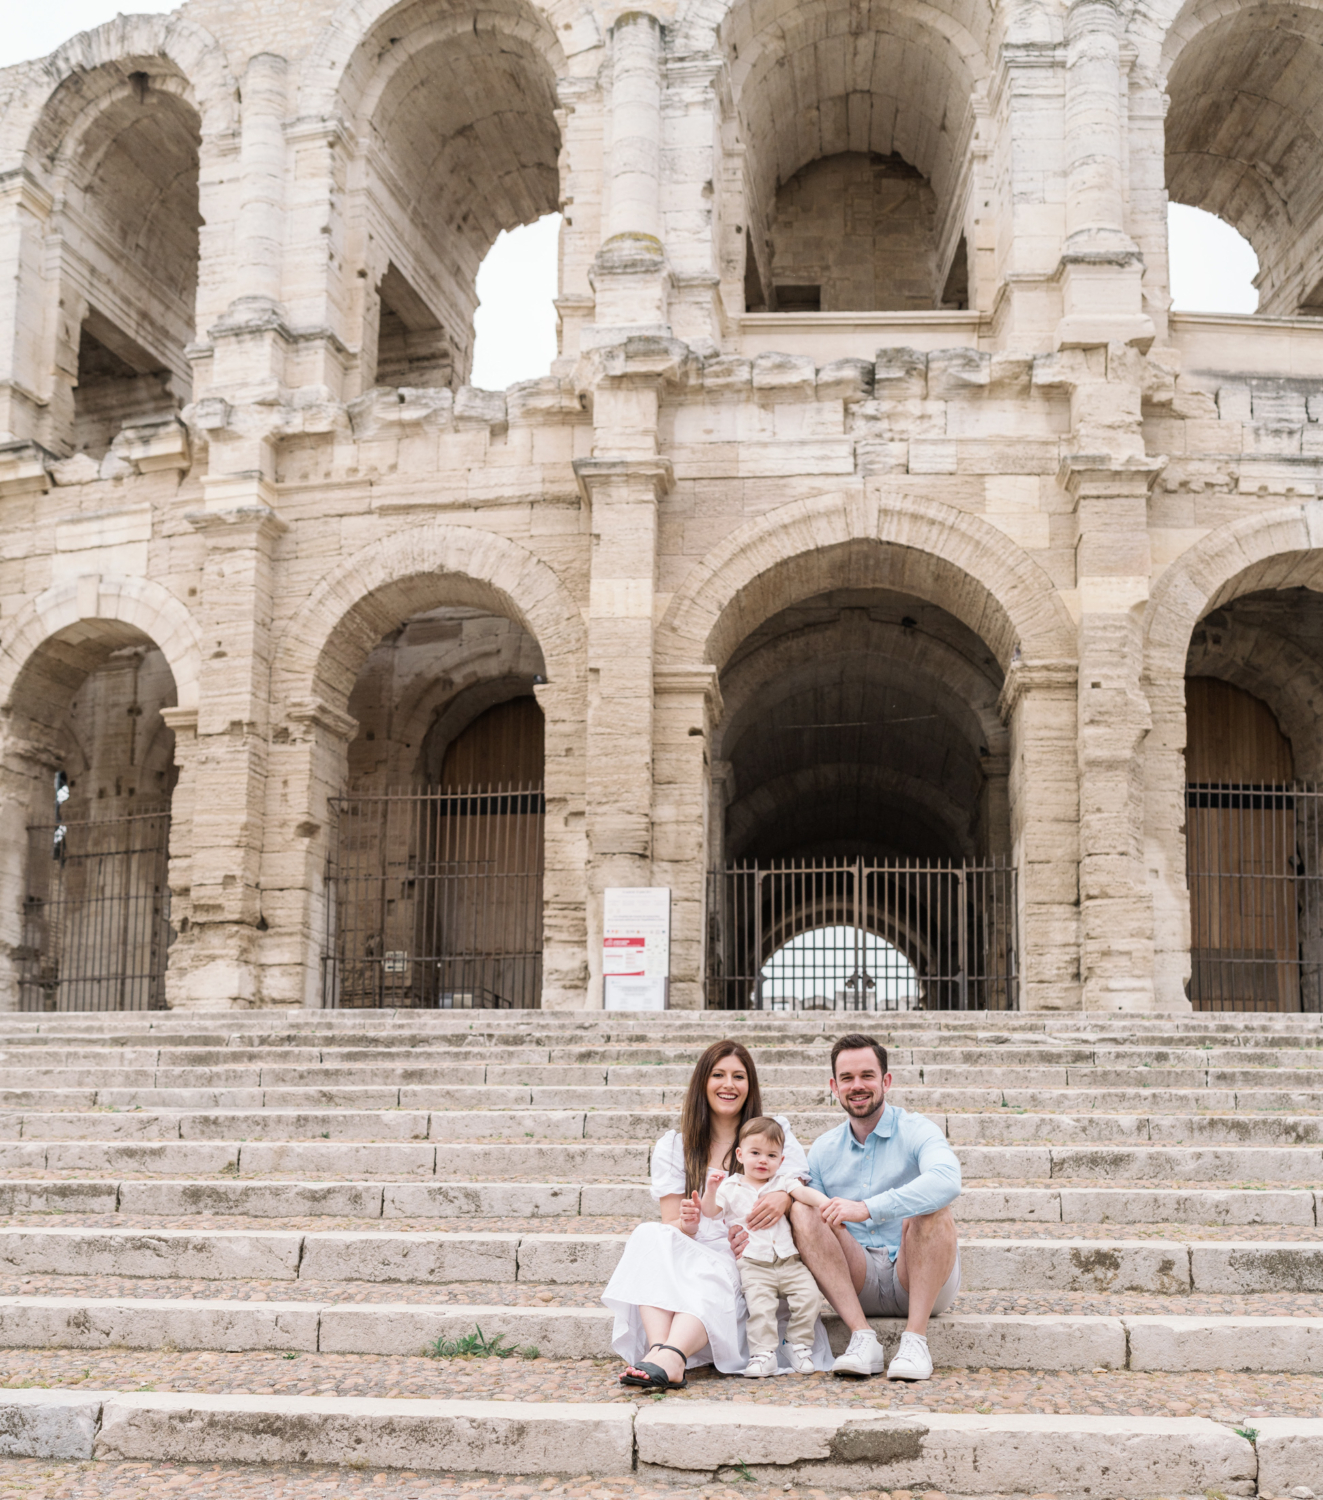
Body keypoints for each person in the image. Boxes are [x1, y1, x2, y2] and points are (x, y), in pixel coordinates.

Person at [602, 1038, 832, 1389]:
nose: (728, 1085)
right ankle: (660, 1350)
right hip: (695, 1243)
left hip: (747, 1251)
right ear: (703, 1083)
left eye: (739, 1076)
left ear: (750, 1085)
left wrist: (782, 1200)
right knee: (648, 1235)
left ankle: (671, 1357)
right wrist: (690, 1222)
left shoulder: (774, 1135)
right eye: (718, 1075)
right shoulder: (675, 1146)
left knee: (715, 1270)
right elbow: (672, 1226)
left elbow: (793, 1190)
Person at [790, 1031, 961, 1381]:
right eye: (847, 1078)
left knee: (934, 1206)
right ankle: (862, 1336)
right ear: (834, 1087)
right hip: (857, 1278)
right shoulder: (823, 1148)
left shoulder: (917, 1129)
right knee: (801, 1210)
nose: (858, 1085)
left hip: (917, 1275)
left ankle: (915, 1341)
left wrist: (868, 1208)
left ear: (885, 1080)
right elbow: (813, 1220)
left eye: (867, 1076)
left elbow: (947, 1179)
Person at [705, 1115, 822, 1377]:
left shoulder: (783, 1182)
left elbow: (803, 1193)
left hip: (789, 1261)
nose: (762, 1160)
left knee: (810, 1297)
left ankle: (797, 1343)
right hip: (754, 1263)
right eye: (755, 1153)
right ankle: (763, 1354)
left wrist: (826, 1203)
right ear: (740, 1154)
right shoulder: (731, 1186)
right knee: (760, 1308)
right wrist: (710, 1190)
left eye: (771, 1155)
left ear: (781, 1160)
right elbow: (711, 1212)